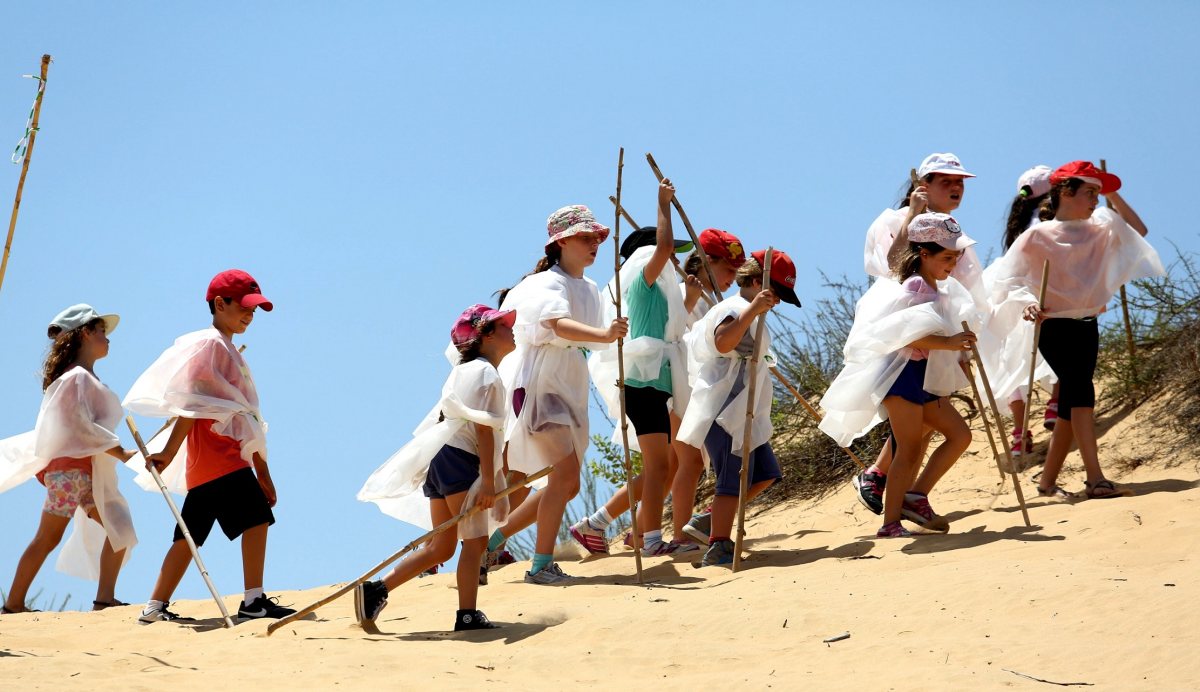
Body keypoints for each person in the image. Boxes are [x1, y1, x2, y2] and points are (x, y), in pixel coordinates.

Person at [125, 269, 295, 623]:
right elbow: (192, 404)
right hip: (223, 456)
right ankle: (253, 601)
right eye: (244, 306)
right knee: (257, 519)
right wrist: (170, 452)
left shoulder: (225, 347)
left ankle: (154, 607)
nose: (250, 314)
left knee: (189, 535)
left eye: (255, 309)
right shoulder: (211, 345)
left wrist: (262, 470)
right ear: (220, 303)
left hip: (206, 465)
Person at [988, 161, 1163, 500]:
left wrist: (1112, 191)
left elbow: (1138, 230)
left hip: (1087, 324)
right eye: (1090, 192)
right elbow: (1010, 278)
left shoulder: (1100, 226)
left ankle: (1047, 482)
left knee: (1069, 403)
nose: (1096, 200)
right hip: (1055, 326)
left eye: (1098, 193)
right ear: (1065, 192)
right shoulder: (1036, 235)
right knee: (1081, 393)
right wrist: (1026, 301)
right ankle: (1095, 479)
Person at [485, 206, 627, 584]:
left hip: (570, 383)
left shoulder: (591, 289)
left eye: (597, 237)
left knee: (566, 482)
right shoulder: (544, 284)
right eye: (586, 237)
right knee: (561, 477)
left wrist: (604, 337)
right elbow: (557, 325)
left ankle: (491, 541)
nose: (594, 244)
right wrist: (604, 335)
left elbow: (588, 338)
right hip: (541, 385)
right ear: (561, 242)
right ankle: (540, 565)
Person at [356, 304, 516, 630]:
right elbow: (484, 429)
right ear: (484, 335)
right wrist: (488, 481)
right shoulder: (486, 373)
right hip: (463, 461)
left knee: (441, 546)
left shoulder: (461, 371)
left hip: (440, 459)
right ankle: (467, 614)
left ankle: (377, 590)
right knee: (474, 542)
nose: (511, 328)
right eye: (502, 325)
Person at [821, 213, 979, 537]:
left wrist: (958, 350)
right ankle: (890, 523)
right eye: (947, 256)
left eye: (956, 256)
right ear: (924, 253)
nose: (954, 262)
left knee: (959, 435)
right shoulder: (916, 285)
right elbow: (902, 336)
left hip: (926, 377)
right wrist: (949, 343)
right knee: (908, 447)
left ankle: (916, 496)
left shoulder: (937, 287)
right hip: (904, 376)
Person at [577, 179, 705, 556]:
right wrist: (662, 204)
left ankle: (641, 535)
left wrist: (692, 296)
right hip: (642, 381)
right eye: (668, 255)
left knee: (661, 466)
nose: (674, 261)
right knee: (658, 467)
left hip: (655, 381)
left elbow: (671, 328)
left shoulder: (655, 292)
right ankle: (650, 541)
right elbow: (664, 246)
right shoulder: (642, 279)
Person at [853, 153, 984, 516]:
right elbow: (894, 269)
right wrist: (912, 213)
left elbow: (967, 290)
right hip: (909, 345)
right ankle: (888, 488)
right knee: (913, 436)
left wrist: (962, 348)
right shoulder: (896, 220)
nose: (956, 187)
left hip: (939, 339)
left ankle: (904, 495)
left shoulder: (954, 232)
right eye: (947, 181)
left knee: (925, 433)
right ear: (922, 184)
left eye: (960, 182)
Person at [1, 305, 137, 614]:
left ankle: (104, 599)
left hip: (83, 472)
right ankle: (13, 604)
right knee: (49, 537)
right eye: (102, 331)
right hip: (70, 472)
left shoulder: (81, 377)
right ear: (86, 333)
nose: (107, 338)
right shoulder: (76, 378)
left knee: (120, 529)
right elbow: (80, 426)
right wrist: (121, 452)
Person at [677, 249, 802, 565]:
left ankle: (707, 521)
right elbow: (723, 342)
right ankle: (718, 544)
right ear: (757, 281)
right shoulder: (734, 308)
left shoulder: (752, 311)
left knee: (765, 473)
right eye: (775, 292)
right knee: (731, 480)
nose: (776, 301)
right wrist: (753, 309)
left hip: (745, 413)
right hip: (722, 411)